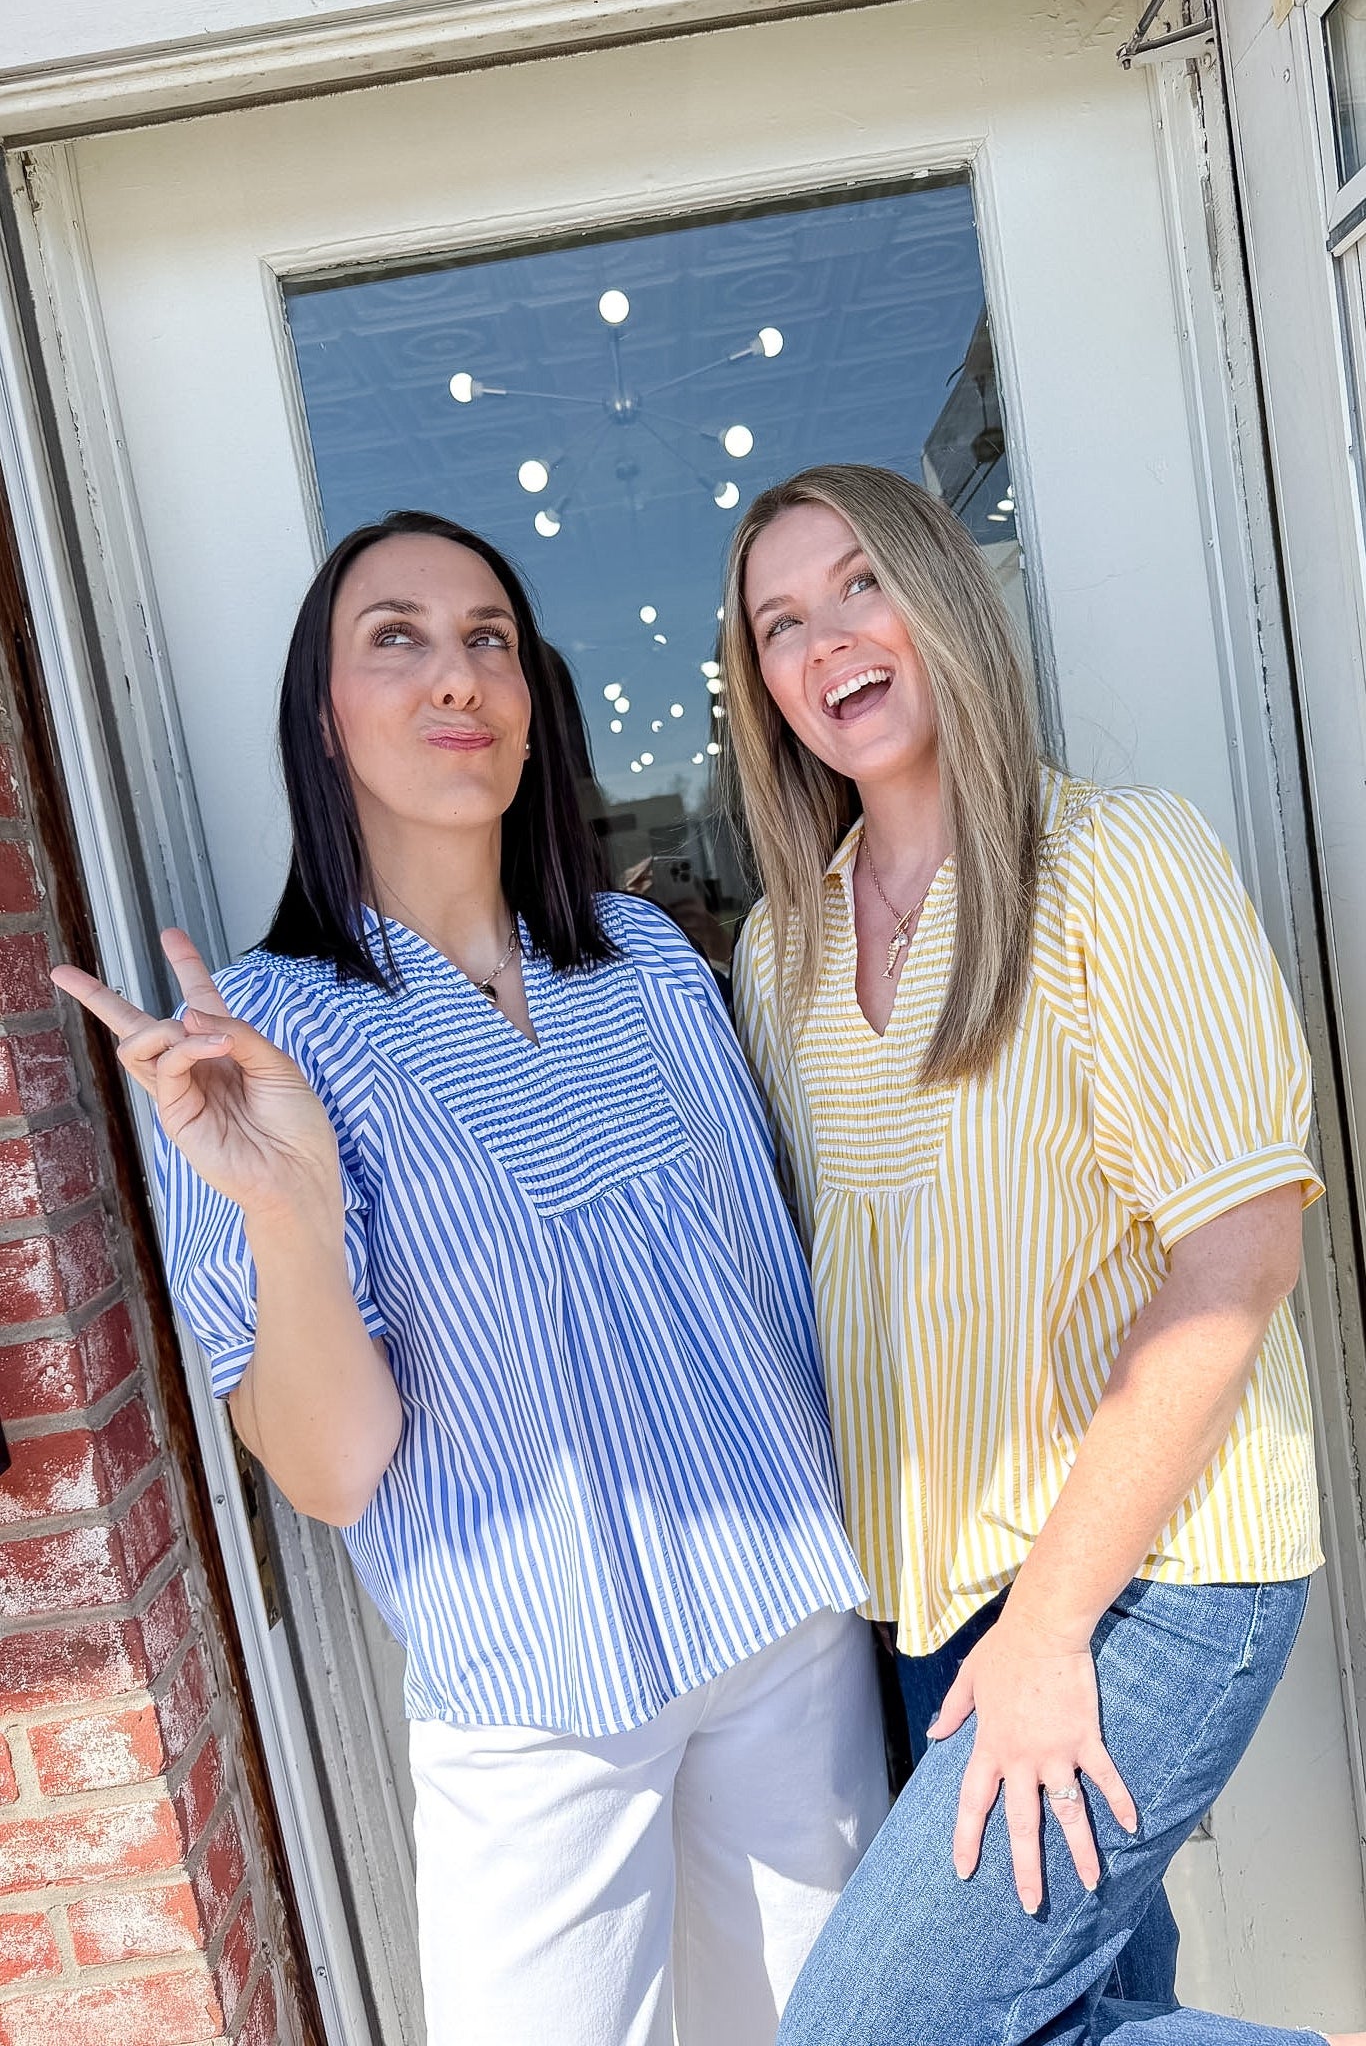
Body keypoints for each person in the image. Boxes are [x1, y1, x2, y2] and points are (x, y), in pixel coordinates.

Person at [52, 509, 888, 2046]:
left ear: (530, 702)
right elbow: (330, 1466)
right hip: (535, 1693)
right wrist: (292, 1217)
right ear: (324, 715)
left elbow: (784, 1284)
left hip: (787, 1636)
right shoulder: (252, 1040)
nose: (457, 677)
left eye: (488, 639)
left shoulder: (645, 963)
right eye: (400, 638)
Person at [721, 463, 1365, 2046]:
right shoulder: (780, 946)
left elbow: (1236, 1266)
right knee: (1042, 2012)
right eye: (779, 623)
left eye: (860, 584)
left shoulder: (1113, 865)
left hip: (1145, 1574)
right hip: (932, 1589)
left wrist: (1049, 1627)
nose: (827, 644)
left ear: (943, 593)